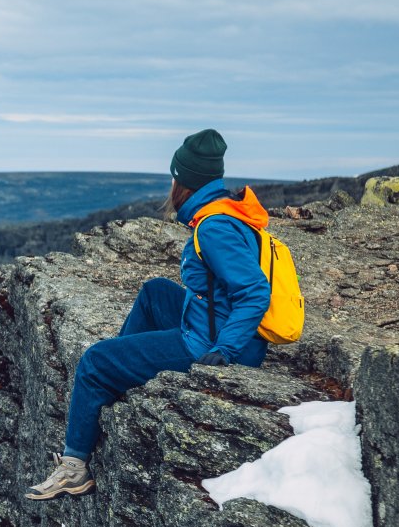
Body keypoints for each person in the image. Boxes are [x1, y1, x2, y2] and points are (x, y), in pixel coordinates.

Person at [25, 128, 270, 501]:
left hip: (211, 343)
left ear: (184, 181)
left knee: (94, 361)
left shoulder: (216, 226)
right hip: (212, 323)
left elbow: (254, 291)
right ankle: (119, 376)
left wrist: (226, 350)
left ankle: (74, 468)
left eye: (175, 177)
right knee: (156, 291)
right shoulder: (224, 213)